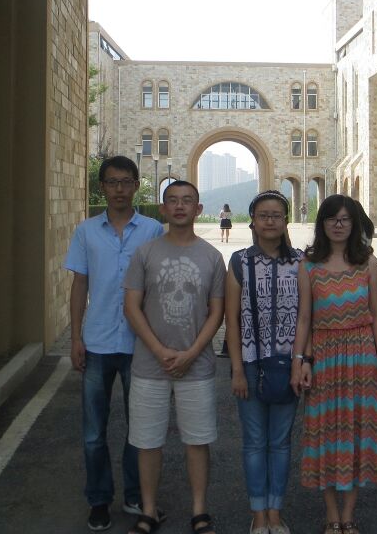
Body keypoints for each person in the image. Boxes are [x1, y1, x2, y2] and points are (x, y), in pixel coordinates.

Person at [65, 155, 166, 532]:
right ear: (102, 187)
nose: (119, 189)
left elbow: (159, 286)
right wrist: (75, 337)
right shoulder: (87, 231)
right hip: (97, 343)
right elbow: (80, 285)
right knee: (94, 431)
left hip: (139, 344)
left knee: (140, 428)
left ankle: (135, 495)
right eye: (112, 182)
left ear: (136, 186)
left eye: (126, 182)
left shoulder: (152, 230)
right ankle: (99, 499)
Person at [123, 180, 226, 534]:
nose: (180, 206)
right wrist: (159, 350)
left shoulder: (211, 257)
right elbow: (131, 307)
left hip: (196, 366)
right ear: (163, 208)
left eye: (187, 201)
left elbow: (217, 311)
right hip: (149, 365)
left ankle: (199, 510)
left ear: (198, 209)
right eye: (173, 200)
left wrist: (192, 352)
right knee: (148, 442)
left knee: (197, 441)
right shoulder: (145, 253)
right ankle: (149, 510)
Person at [291, 195, 377, 534]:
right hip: (324, 357)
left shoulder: (368, 262)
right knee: (326, 434)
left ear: (354, 223)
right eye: (332, 218)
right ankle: (331, 516)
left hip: (361, 356)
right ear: (322, 223)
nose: (338, 224)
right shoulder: (308, 265)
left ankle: (348, 516)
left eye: (345, 219)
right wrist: (300, 361)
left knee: (357, 434)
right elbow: (304, 319)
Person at [225, 191, 303, 534]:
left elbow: (307, 317)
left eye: (276, 215)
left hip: (287, 363)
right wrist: (236, 369)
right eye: (263, 215)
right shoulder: (239, 262)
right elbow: (231, 320)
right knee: (255, 441)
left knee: (281, 442)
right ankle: (258, 512)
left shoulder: (301, 262)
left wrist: (302, 361)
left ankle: (275, 510)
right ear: (253, 221)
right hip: (251, 363)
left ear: (285, 221)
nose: (270, 221)